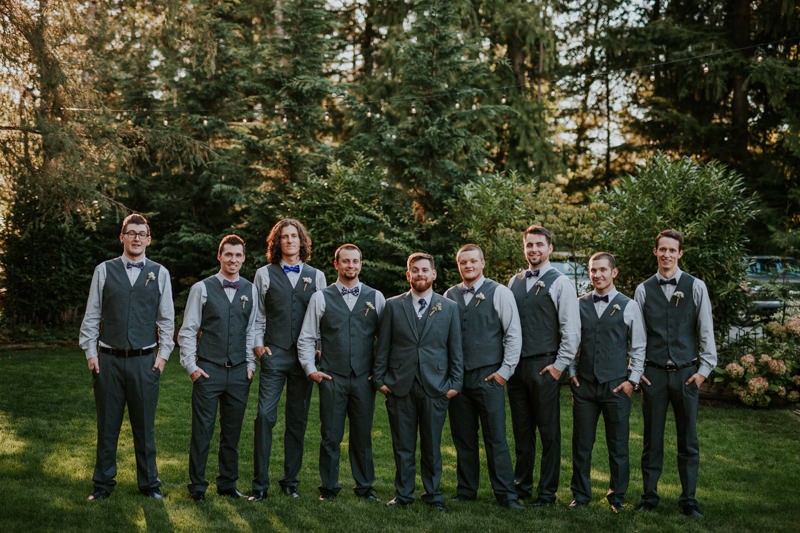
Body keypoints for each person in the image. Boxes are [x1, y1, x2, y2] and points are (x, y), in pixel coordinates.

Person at [79, 213, 175, 502]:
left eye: (141, 233)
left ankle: (150, 485)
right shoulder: (104, 270)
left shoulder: (160, 273)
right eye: (131, 233)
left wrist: (162, 357)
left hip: (145, 362)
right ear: (122, 237)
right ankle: (103, 485)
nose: (136, 238)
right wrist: (90, 352)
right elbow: (93, 313)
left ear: (148, 239)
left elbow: (167, 319)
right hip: (108, 360)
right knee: (107, 425)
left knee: (144, 427)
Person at [634, 229, 716, 518]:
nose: (667, 254)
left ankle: (689, 500)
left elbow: (706, 331)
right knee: (651, 440)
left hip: (686, 374)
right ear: (655, 252)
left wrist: (703, 371)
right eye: (662, 249)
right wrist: (638, 370)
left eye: (672, 250)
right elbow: (638, 336)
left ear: (680, 253)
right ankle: (649, 496)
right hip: (654, 375)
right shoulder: (643, 290)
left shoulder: (696, 287)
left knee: (688, 440)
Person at [373, 252, 463, 513]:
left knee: (432, 445)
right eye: (415, 270)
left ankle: (433, 494)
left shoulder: (449, 308)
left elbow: (454, 349)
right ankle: (403, 494)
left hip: (435, 386)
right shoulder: (392, 306)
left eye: (425, 270)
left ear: (434, 274)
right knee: (402, 444)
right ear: (408, 275)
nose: (420, 274)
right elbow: (383, 346)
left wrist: (455, 383)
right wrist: (380, 380)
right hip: (400, 385)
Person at [296, 244, 385, 502]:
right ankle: (329, 487)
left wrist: (377, 372)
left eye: (355, 262)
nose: (351, 266)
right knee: (330, 436)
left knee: (362, 435)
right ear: (336, 265)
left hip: (363, 379)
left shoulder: (375, 297)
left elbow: (385, 340)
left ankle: (365, 487)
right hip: (332, 376)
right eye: (346, 261)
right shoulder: (321, 297)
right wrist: (311, 370)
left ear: (361, 264)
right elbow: (307, 336)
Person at [249, 218, 326, 501]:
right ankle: (260, 485)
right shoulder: (264, 274)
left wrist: (318, 347)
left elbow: (321, 316)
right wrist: (258, 347)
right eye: (284, 236)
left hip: (304, 359)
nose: (290, 240)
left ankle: (290, 482)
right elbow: (258, 314)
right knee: (264, 418)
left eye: (294, 236)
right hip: (274, 354)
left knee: (297, 420)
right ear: (277, 242)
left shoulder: (316, 276)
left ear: (302, 241)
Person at [178, 235, 257, 501]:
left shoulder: (250, 289)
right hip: (208, 370)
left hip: (238, 372)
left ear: (243, 258)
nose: (233, 260)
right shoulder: (202, 288)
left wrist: (250, 365)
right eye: (228, 255)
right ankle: (197, 487)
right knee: (202, 431)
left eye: (238, 255)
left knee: (232, 433)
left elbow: (252, 329)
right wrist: (191, 366)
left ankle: (227, 484)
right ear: (219, 257)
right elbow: (188, 330)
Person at [444, 244, 523, 510]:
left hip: (489, 376)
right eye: (463, 262)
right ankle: (466, 490)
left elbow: (513, 334)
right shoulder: (449, 295)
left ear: (482, 263)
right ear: (458, 265)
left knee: (496, 438)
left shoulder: (499, 292)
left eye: (473, 261)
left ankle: (506, 494)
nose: (468, 266)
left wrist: (504, 373)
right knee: (463, 438)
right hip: (459, 379)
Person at [507, 225, 580, 506]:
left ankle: (547, 492)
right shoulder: (513, 281)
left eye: (539, 244)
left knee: (548, 433)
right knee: (522, 431)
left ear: (549, 248)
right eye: (529, 245)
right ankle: (521, 485)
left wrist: (559, 366)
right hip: (516, 369)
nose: (534, 250)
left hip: (545, 366)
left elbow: (571, 330)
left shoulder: (560, 282)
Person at [568, 252, 646, 513]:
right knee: (581, 443)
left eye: (602, 270)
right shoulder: (578, 304)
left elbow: (638, 347)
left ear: (614, 272)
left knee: (618, 445)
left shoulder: (629, 305)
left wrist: (631, 382)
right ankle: (580, 495)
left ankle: (617, 497)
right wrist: (571, 372)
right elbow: (571, 342)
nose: (597, 275)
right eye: (593, 270)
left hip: (615, 386)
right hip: (585, 386)